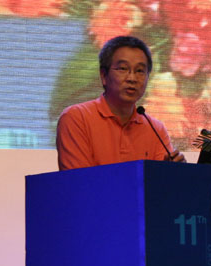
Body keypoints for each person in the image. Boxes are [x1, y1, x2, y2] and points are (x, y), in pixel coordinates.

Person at [56, 36, 185, 170]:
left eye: (140, 71)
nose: (132, 78)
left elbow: (161, 185)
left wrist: (175, 172)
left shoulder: (156, 129)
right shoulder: (77, 118)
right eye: (123, 69)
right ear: (103, 76)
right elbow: (79, 183)